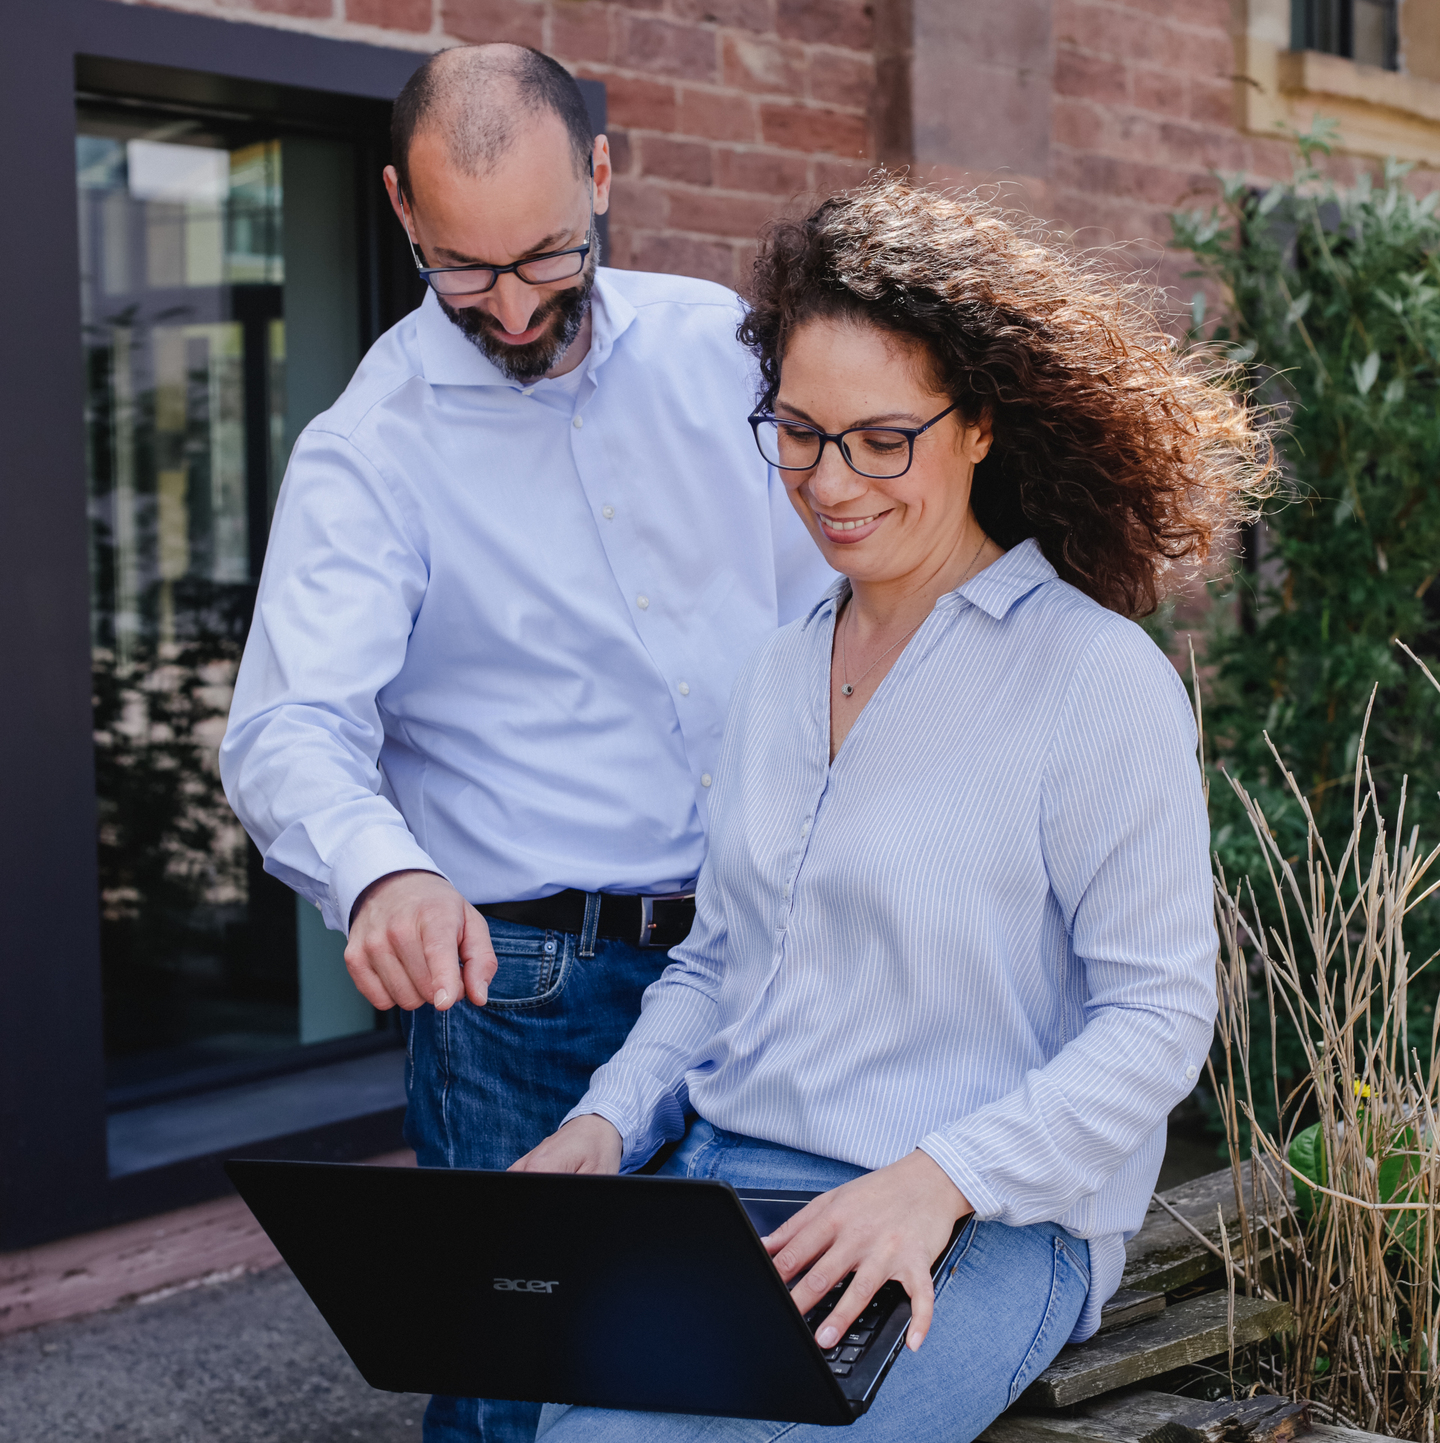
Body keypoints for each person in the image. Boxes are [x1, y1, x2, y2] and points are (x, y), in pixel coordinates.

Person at [513, 176, 1272, 1443]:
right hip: (729, 1187)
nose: (830, 482)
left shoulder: (1093, 676)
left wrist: (937, 1179)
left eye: (881, 439)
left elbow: (1157, 1018)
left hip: (988, 1219)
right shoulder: (777, 669)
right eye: (799, 433)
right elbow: (717, 965)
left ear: (979, 426)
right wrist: (606, 1120)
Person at [218, 44, 832, 1443]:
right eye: (463, 269)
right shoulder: (369, 448)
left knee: (747, 1371)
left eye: (548, 256)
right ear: (400, 209)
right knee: (522, 1391)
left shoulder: (724, 350)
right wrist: (383, 872)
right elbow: (289, 725)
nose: (511, 307)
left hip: (772, 944)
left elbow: (834, 605)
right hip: (528, 993)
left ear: (601, 175)